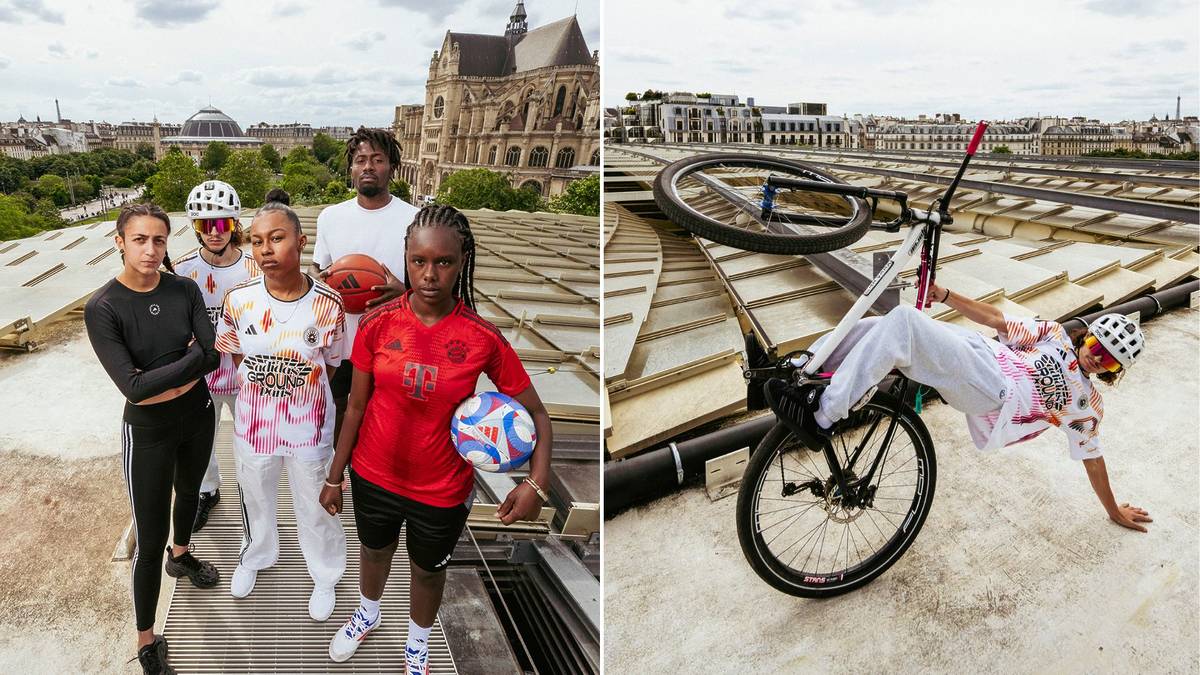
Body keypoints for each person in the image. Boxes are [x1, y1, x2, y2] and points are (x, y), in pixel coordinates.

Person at [321, 205, 554, 673]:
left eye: (444, 262)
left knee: (427, 572)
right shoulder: (377, 323)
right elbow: (356, 407)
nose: (429, 274)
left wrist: (536, 483)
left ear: (462, 260)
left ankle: (417, 644)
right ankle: (367, 613)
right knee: (374, 551)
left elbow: (538, 414)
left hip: (441, 489)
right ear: (405, 259)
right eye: (419, 261)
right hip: (373, 474)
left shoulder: (483, 337)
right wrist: (334, 476)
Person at [769, 281, 1152, 532]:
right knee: (884, 325)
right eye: (1098, 347)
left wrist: (1113, 510)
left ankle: (824, 414)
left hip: (998, 393)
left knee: (904, 322)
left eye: (1110, 362)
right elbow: (996, 319)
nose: (1098, 359)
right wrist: (946, 295)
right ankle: (803, 373)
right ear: (1087, 336)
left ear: (1113, 373)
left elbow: (1092, 457)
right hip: (982, 352)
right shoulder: (1053, 334)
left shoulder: (1086, 404)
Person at [84, 203, 221, 675]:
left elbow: (214, 357)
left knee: (191, 492)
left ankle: (181, 557)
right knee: (149, 536)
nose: (150, 249)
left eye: (158, 240)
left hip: (198, 414)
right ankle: (146, 640)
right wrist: (190, 362)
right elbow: (134, 388)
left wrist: (171, 372)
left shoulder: (184, 289)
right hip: (148, 431)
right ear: (119, 242)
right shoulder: (104, 307)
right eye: (139, 239)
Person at [215, 201, 348, 620]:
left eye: (276, 238)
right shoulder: (238, 300)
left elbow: (329, 365)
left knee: (315, 503)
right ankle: (257, 556)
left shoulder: (329, 304)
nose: (266, 249)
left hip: (309, 429)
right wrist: (267, 390)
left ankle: (325, 574)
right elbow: (236, 356)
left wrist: (295, 391)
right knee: (255, 497)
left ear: (301, 241)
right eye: (257, 241)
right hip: (255, 426)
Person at [310, 127, 417, 438]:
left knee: (382, 420)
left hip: (392, 344)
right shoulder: (330, 217)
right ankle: (338, 468)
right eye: (360, 160)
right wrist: (319, 282)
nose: (368, 166)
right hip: (340, 342)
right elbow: (319, 271)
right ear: (351, 169)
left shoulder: (416, 219)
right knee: (335, 414)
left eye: (377, 159)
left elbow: (431, 289)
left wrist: (404, 293)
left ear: (392, 166)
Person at [172, 180, 261, 531]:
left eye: (222, 222)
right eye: (205, 224)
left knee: (250, 440)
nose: (214, 232)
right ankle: (208, 491)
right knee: (200, 442)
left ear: (234, 223)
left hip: (243, 373)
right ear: (195, 226)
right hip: (201, 375)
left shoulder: (255, 268)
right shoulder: (180, 270)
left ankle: (252, 493)